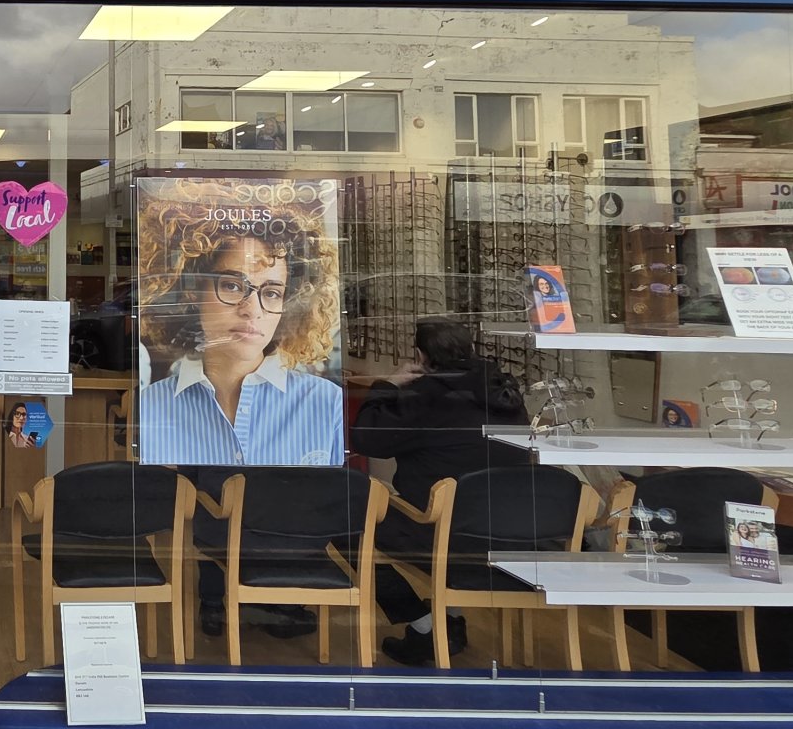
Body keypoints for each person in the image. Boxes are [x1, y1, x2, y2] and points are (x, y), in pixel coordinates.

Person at [136, 224, 344, 640]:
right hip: (214, 536)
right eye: (233, 285)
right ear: (192, 290)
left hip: (295, 540)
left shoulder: (325, 403)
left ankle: (271, 601)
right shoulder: (155, 403)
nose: (252, 311)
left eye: (271, 293)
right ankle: (219, 602)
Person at [352, 318, 529, 664]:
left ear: (420, 355)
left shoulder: (427, 396)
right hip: (511, 534)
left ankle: (424, 625)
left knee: (348, 519)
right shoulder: (506, 393)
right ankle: (448, 619)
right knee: (458, 507)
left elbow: (366, 439)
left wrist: (387, 385)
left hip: (444, 534)